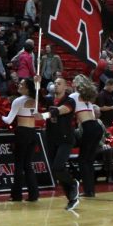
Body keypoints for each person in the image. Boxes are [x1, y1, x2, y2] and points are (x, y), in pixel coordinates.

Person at [4, 78, 45, 202]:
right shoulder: (36, 100)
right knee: (28, 165)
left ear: (27, 88)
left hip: (22, 133)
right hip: (33, 133)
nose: (19, 85)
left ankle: (17, 195)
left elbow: (9, 120)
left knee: (19, 165)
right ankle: (34, 194)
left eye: (21, 84)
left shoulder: (18, 101)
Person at [44, 77, 81, 211]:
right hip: (51, 138)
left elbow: (61, 110)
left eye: (59, 83)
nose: (56, 85)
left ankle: (73, 183)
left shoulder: (70, 101)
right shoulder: (49, 99)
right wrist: (37, 84)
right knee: (56, 170)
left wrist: (44, 115)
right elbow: (35, 100)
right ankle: (72, 198)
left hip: (66, 139)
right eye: (55, 83)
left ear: (65, 86)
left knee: (58, 166)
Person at [72, 76, 103, 199]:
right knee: (89, 160)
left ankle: (88, 190)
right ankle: (91, 190)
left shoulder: (74, 96)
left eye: (74, 80)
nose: (72, 82)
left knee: (83, 160)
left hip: (88, 127)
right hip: (97, 127)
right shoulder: (88, 100)